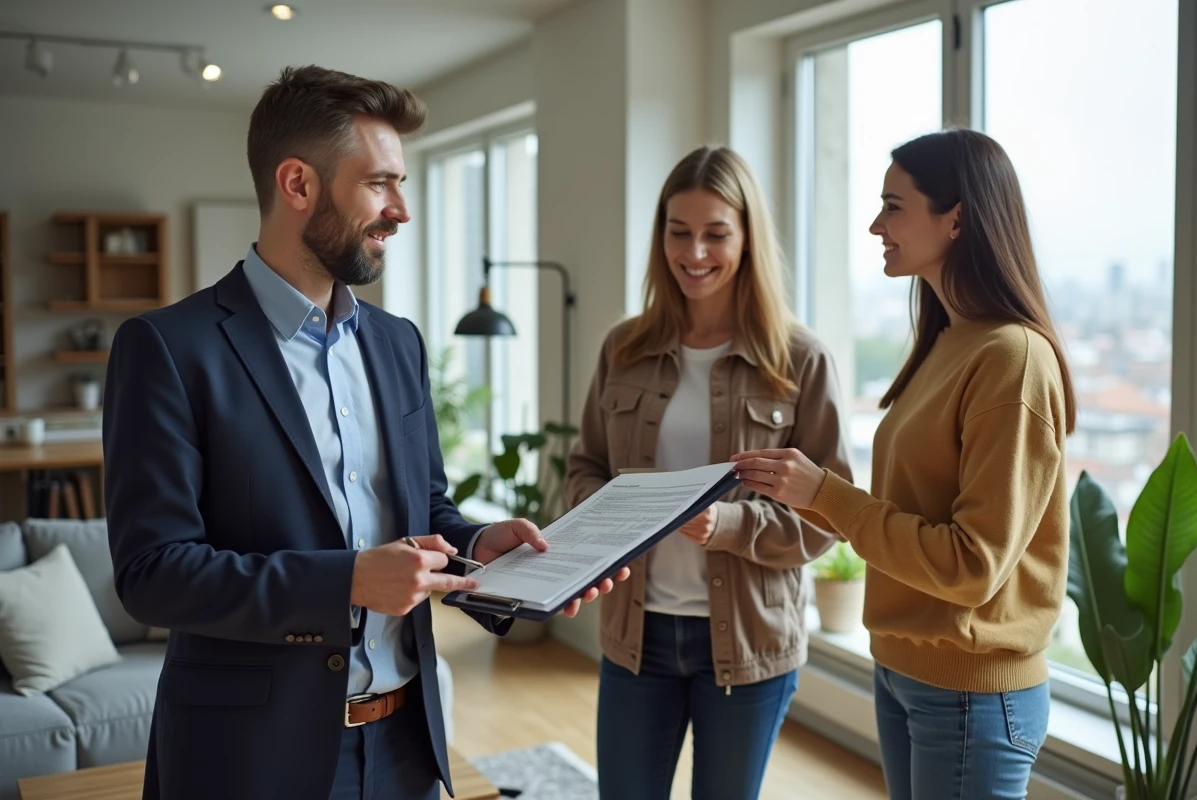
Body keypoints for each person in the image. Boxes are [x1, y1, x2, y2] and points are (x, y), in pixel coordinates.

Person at [102, 65, 624, 800]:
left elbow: (426, 513)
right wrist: (346, 580)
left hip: (405, 747)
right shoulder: (168, 348)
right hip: (250, 759)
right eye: (379, 183)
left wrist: (480, 550)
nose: (401, 210)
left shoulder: (397, 343)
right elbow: (152, 574)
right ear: (298, 184)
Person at [732, 128, 1075, 800]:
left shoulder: (1012, 359)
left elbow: (973, 565)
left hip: (970, 691)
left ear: (956, 218)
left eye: (893, 206)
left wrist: (826, 496)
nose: (875, 225)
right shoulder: (947, 342)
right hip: (905, 670)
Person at [565, 145, 853, 800]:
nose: (694, 253)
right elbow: (583, 466)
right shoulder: (624, 348)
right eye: (679, 232)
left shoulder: (800, 360)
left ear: (748, 238)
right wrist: (611, 511)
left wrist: (728, 523)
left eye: (716, 234)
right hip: (637, 638)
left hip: (749, 647)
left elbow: (828, 514)